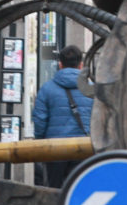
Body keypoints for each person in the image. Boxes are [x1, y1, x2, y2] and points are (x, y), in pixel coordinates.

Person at [31, 46, 92, 190]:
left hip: (55, 149)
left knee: (54, 191)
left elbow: (40, 121)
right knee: (80, 189)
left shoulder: (47, 89)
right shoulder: (92, 88)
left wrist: (40, 143)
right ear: (81, 65)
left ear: (60, 65)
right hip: (84, 148)